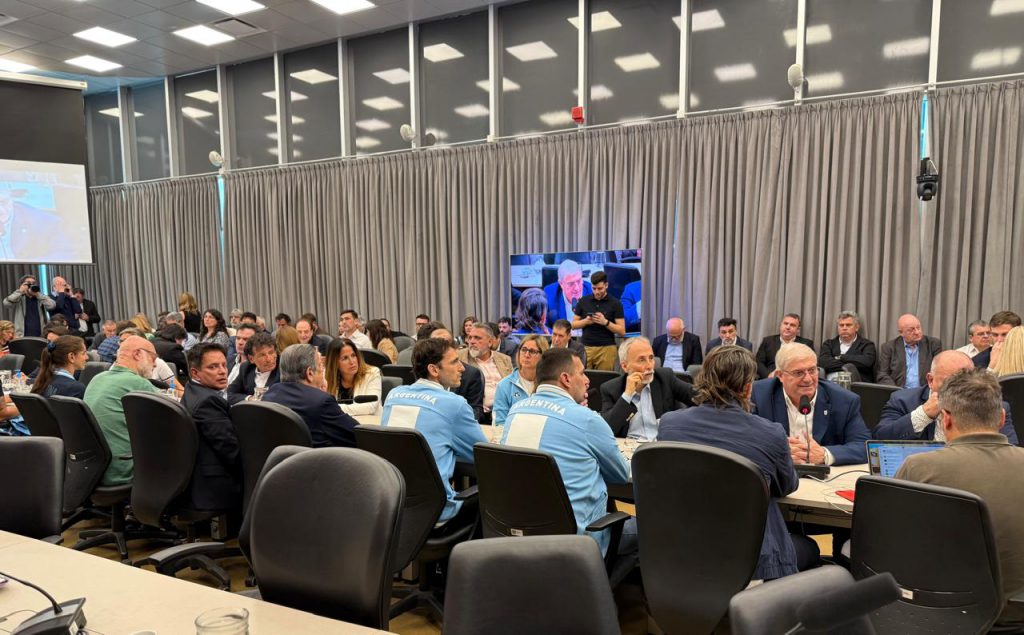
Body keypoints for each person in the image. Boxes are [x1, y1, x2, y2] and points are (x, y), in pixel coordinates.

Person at [658, 345, 805, 579]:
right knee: (808, 549)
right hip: (752, 560)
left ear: (702, 378)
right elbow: (786, 486)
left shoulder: (669, 425)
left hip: (683, 549)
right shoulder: (770, 434)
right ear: (748, 388)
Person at [895, 369, 1024, 628]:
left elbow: (894, 548)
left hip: (941, 617)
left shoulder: (918, 468)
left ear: (945, 420)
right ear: (1000, 418)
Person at [500, 347, 631, 555]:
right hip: (575, 543)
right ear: (566, 379)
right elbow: (621, 475)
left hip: (518, 535)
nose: (587, 380)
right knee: (649, 528)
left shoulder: (515, 411)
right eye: (581, 373)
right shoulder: (587, 419)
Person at [381, 337, 488, 523]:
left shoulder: (393, 395)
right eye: (454, 362)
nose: (462, 368)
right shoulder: (454, 404)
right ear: (434, 369)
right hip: (436, 512)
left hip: (393, 506)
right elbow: (483, 454)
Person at [751, 343, 870, 465]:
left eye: (812, 370)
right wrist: (776, 452)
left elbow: (864, 446)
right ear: (780, 376)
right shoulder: (758, 395)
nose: (808, 379)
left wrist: (824, 454)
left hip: (824, 479)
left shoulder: (843, 400)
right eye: (798, 373)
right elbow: (741, 439)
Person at [875, 350, 1017, 443]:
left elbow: (1009, 451)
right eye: (950, 382)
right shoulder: (903, 400)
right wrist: (923, 414)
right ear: (931, 380)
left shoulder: (991, 405)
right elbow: (879, 440)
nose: (958, 390)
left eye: (965, 382)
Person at [84, 335, 162, 486]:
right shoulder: (139, 384)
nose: (155, 365)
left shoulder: (97, 378)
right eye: (153, 358)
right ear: (138, 354)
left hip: (93, 470)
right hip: (124, 470)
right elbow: (170, 423)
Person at [180, 342, 241, 512]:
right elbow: (231, 451)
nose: (222, 371)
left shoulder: (191, 389)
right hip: (216, 487)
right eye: (213, 367)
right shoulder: (208, 402)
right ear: (195, 373)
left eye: (223, 365)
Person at [263, 344, 358, 447]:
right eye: (321, 366)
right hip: (322, 461)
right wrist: (322, 395)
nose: (323, 371)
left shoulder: (268, 396)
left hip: (281, 461)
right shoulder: (321, 402)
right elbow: (357, 434)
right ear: (310, 373)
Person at [600, 336, 696, 439]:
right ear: (625, 366)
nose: (649, 366)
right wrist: (627, 395)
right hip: (630, 448)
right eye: (641, 360)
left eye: (651, 358)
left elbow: (699, 396)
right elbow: (607, 430)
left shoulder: (665, 378)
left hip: (662, 445)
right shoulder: (611, 389)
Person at [419, 322, 486, 421]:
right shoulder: (422, 370)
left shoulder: (470, 374)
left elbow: (475, 411)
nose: (442, 348)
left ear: (454, 347)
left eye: (447, 344)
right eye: (437, 344)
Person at [457, 322, 513, 422]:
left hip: (505, 411)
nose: (472, 341)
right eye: (470, 338)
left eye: (477, 338)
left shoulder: (504, 359)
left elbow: (511, 386)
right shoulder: (460, 358)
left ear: (490, 342)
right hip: (478, 414)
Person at [572, 271, 625, 371]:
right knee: (582, 379)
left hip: (607, 348)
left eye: (600, 288)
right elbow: (573, 325)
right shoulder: (583, 301)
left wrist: (605, 322)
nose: (597, 292)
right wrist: (586, 321)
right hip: (586, 347)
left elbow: (622, 330)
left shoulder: (615, 303)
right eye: (594, 288)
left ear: (606, 285)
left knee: (603, 380)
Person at [492, 334, 549, 425]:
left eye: (532, 351)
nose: (526, 355)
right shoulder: (504, 385)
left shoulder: (549, 385)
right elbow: (500, 422)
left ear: (543, 356)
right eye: (524, 350)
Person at [876, 313, 943, 388]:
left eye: (918, 327)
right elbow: (882, 374)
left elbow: (939, 372)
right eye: (911, 330)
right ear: (901, 332)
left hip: (924, 392)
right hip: (899, 391)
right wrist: (895, 390)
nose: (917, 332)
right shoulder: (889, 347)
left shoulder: (933, 344)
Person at [325, 337, 382, 416]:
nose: (352, 362)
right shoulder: (327, 378)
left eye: (353, 355)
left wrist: (334, 408)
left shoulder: (372, 373)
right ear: (334, 363)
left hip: (367, 425)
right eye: (345, 358)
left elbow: (371, 407)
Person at [817, 310, 878, 383]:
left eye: (848, 325)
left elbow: (867, 362)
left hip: (856, 385)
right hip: (831, 383)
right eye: (841, 325)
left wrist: (841, 357)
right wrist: (852, 365)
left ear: (857, 327)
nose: (844, 328)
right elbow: (823, 363)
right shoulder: (828, 344)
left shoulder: (867, 344)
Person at [227, 331, 280, 404]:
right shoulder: (246, 368)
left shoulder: (284, 369)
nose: (269, 359)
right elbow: (230, 394)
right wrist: (250, 399)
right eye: (262, 355)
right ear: (251, 359)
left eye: (271, 352)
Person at [755, 313, 815, 378]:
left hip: (795, 378)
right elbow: (758, 362)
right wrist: (768, 375)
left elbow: (811, 364)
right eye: (785, 323)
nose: (788, 327)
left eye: (792, 325)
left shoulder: (806, 344)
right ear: (781, 325)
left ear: (798, 330)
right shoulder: (768, 341)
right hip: (771, 378)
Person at [543, 260, 592, 328]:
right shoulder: (549, 294)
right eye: (571, 284)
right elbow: (543, 326)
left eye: (579, 281)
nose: (577, 288)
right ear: (561, 284)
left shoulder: (592, 292)